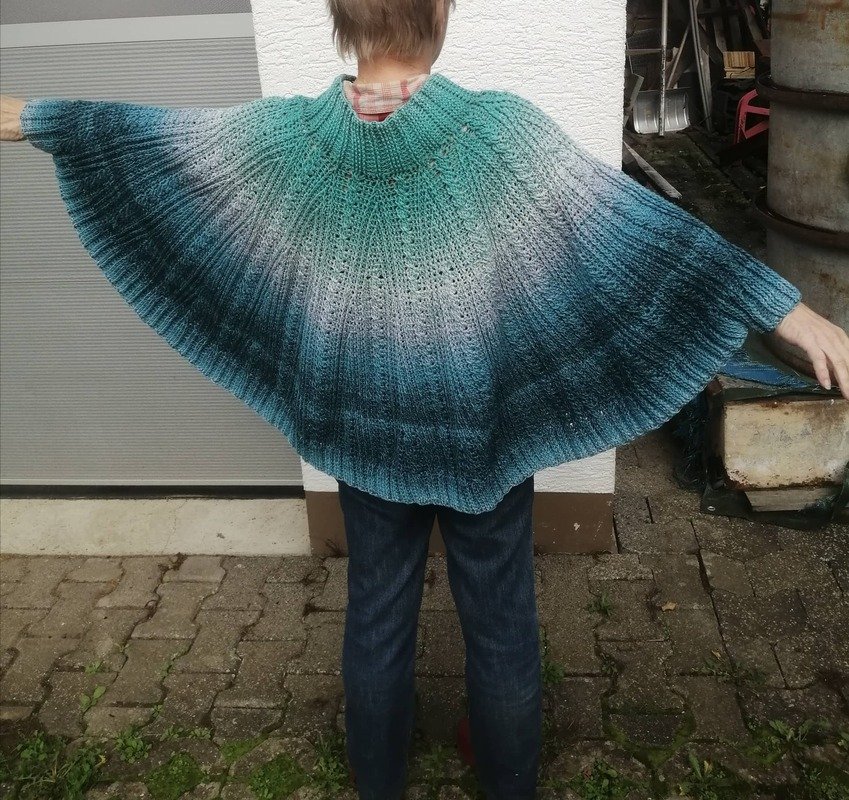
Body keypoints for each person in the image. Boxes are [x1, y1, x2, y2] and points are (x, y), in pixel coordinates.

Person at [1, 2, 848, 799]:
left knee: (376, 611)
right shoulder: (503, 133)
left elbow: (161, 142)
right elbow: (637, 231)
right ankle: (507, 779)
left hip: (361, 431)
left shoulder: (285, 139)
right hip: (480, 432)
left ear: (338, 20)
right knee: (501, 622)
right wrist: (782, 307)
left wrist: (36, 118)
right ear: (440, 12)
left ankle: (377, 777)